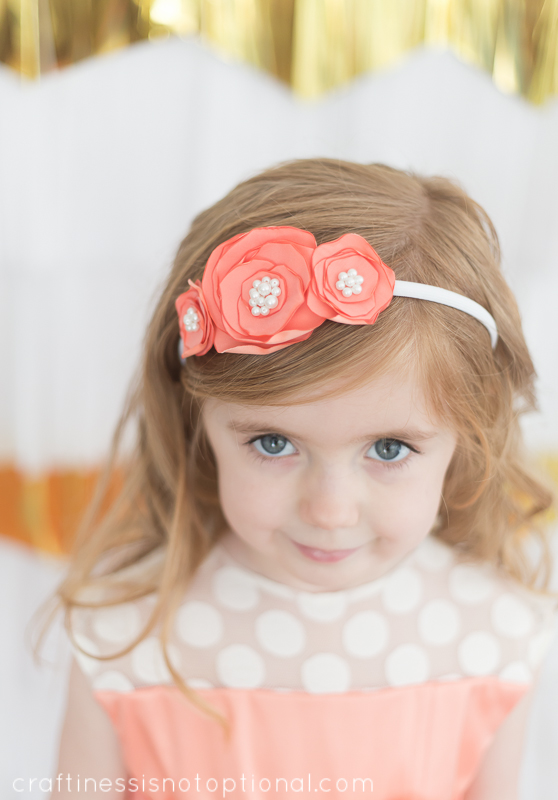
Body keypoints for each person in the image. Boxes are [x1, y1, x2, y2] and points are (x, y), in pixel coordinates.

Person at [45, 158, 558, 800]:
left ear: (469, 434)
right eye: (274, 442)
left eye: (389, 449)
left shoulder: (492, 633)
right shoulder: (125, 632)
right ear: (196, 418)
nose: (330, 510)